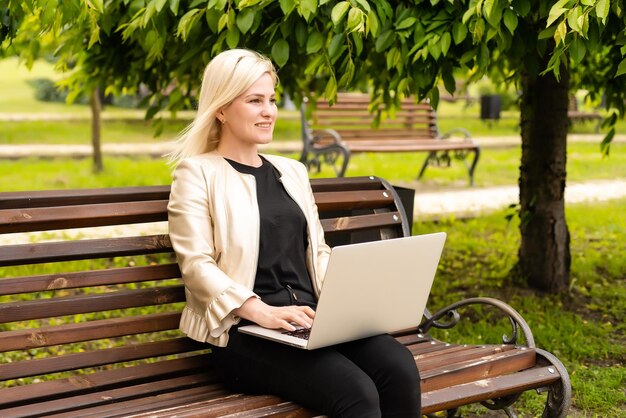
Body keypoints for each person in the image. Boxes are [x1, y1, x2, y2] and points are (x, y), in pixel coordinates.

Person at [167, 48, 421, 417]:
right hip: (246, 332)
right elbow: (196, 264)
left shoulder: (292, 172)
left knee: (399, 368)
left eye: (271, 99)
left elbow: (316, 250)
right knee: (356, 392)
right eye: (254, 101)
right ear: (221, 109)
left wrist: (353, 299)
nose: (268, 111)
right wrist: (260, 310)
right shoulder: (197, 173)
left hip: (313, 320)